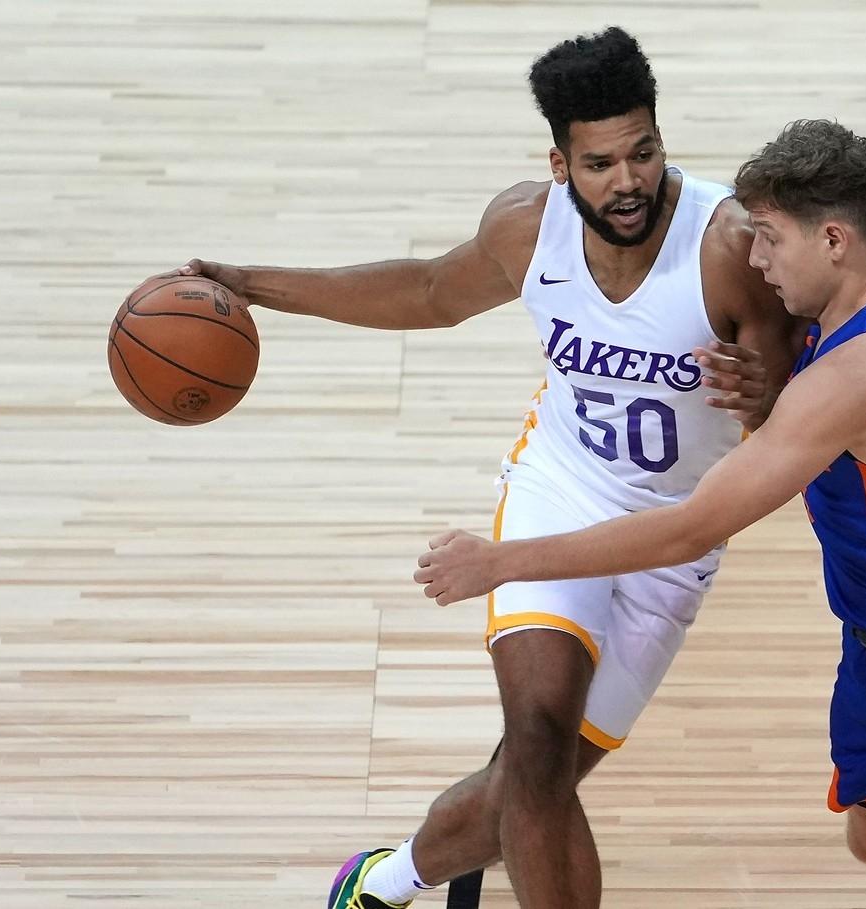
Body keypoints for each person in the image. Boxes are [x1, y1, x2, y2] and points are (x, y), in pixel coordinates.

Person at [413, 119, 866, 909]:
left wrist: (501, 561)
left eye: (768, 240)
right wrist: (766, 397)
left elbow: (691, 525)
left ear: (832, 240)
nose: (753, 261)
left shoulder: (864, 369)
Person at [162, 27, 800, 909]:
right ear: (558, 162)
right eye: (601, 162)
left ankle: (384, 879)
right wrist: (255, 283)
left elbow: (788, 428)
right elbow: (428, 291)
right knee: (536, 741)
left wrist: (770, 390)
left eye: (644, 153)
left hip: (675, 534)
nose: (627, 181)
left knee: (526, 785)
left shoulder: (731, 248)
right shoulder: (524, 229)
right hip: (561, 491)